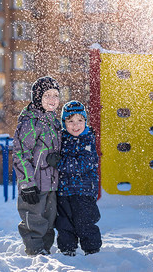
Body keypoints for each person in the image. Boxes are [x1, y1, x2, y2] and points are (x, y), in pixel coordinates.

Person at [13, 76, 62, 256]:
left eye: (56, 95)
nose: (52, 100)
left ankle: (45, 251)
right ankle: (35, 252)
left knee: (49, 221)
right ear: (37, 98)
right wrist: (27, 184)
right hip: (33, 185)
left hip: (51, 183)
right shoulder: (30, 122)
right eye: (47, 95)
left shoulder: (54, 122)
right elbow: (20, 154)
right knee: (33, 219)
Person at [55, 101, 102, 256]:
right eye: (70, 121)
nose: (76, 125)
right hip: (64, 192)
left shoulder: (88, 139)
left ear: (85, 122)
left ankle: (92, 250)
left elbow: (83, 164)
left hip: (84, 192)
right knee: (64, 223)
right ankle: (67, 250)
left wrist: (59, 163)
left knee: (85, 223)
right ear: (64, 123)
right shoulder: (62, 139)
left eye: (80, 121)